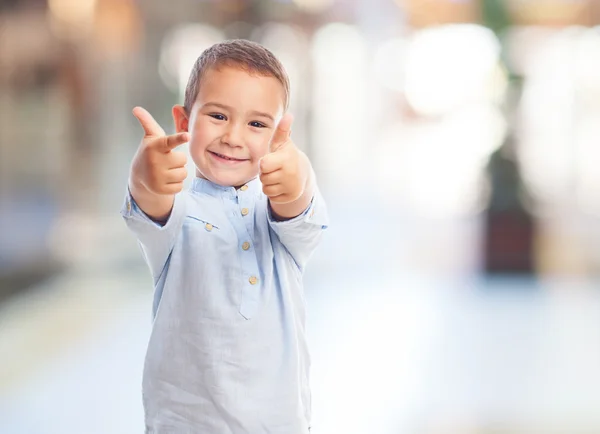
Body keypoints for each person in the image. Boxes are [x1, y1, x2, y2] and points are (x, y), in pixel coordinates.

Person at [121, 39, 328, 433]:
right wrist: (145, 178)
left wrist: (297, 181)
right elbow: (152, 203)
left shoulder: (278, 210)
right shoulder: (179, 210)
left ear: (279, 135)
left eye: (257, 124)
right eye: (218, 116)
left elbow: (297, 208)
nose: (234, 137)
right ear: (184, 123)